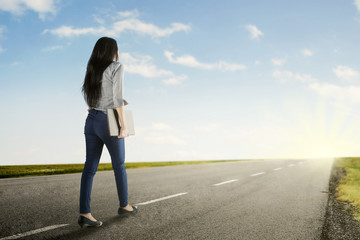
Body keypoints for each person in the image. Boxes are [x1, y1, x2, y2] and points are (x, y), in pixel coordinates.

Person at [78, 37, 137, 228]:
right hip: (108, 120)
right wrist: (123, 125)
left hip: (91, 120)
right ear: (113, 51)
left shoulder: (92, 68)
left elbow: (92, 97)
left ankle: (85, 213)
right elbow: (116, 98)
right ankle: (124, 205)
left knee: (89, 168)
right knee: (119, 165)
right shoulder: (116, 67)